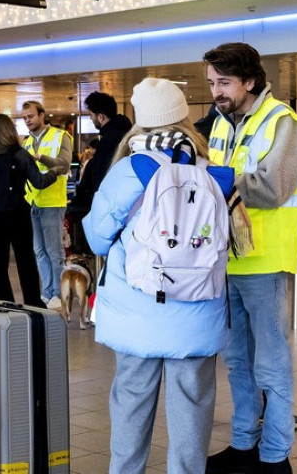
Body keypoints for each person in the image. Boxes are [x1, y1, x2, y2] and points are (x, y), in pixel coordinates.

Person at [88, 78, 227, 474]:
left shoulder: (127, 171)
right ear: (183, 117)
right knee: (192, 408)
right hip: (197, 310)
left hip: (137, 311)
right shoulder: (211, 170)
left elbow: (97, 239)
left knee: (131, 402)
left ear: (141, 120)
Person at [201, 43, 297, 474]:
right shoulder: (221, 123)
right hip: (226, 260)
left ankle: (275, 456)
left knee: (271, 363)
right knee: (236, 362)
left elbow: (271, 187)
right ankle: (244, 443)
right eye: (212, 82)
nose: (216, 91)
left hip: (265, 261)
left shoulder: (284, 123)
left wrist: (211, 180)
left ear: (250, 81)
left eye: (224, 82)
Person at [0, 115, 63, 306]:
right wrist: (55, 171)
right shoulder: (20, 154)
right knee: (26, 261)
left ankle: (7, 303)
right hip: (18, 214)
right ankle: (33, 302)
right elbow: (39, 182)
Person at [21, 101, 74, 310]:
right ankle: (47, 291)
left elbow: (65, 164)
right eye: (24, 117)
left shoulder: (61, 136)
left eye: (31, 116)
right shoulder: (25, 143)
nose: (28, 120)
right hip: (32, 201)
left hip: (52, 201)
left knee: (54, 251)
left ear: (42, 115)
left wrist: (40, 157)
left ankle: (58, 293)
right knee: (39, 251)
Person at [70, 92, 132, 257]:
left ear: (101, 117)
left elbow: (102, 177)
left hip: (112, 210)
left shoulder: (109, 141)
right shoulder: (125, 135)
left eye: (91, 115)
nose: (91, 119)